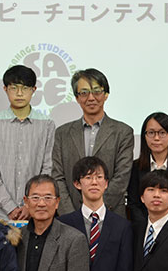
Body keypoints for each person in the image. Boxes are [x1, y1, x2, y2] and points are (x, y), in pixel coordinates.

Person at [51, 68, 134, 216]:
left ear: (106, 94)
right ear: (77, 97)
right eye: (84, 93)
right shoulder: (62, 133)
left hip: (110, 214)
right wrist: (71, 215)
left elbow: (122, 177)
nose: (91, 98)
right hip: (70, 216)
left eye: (96, 91)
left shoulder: (123, 132)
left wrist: (95, 209)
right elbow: (58, 177)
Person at [0, 65, 55, 221]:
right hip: (0, 214)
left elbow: (47, 169)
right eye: (14, 88)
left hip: (36, 212)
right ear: (5, 89)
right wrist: (10, 207)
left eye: (25, 88)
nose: (19, 93)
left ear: (34, 90)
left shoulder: (46, 124)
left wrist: (30, 205)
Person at [128, 112, 168, 224]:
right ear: (144, 136)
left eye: (162, 133)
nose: (156, 138)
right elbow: (134, 203)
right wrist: (148, 227)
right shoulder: (136, 167)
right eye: (151, 133)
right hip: (144, 229)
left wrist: (163, 229)